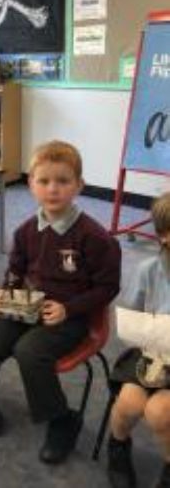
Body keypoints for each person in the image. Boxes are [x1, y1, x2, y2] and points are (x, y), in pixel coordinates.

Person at [0, 140, 121, 464]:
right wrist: (5, 291)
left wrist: (70, 308)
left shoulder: (95, 237)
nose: (53, 189)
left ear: (79, 185)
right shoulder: (26, 231)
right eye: (44, 181)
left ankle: (62, 420)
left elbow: (108, 287)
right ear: (31, 184)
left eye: (63, 181)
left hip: (72, 315)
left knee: (30, 351)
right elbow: (16, 270)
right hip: (28, 305)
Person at [107, 192, 170, 488]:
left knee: (160, 413)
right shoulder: (149, 271)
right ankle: (117, 446)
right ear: (164, 236)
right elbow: (130, 318)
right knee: (129, 403)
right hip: (151, 352)